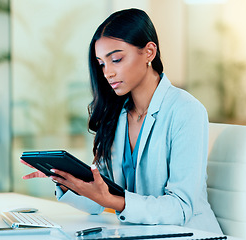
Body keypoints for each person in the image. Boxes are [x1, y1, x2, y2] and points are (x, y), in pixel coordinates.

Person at [21, 8, 222, 234]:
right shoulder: (116, 114)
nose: (108, 73)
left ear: (149, 52)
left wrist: (114, 201)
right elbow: (98, 202)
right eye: (102, 64)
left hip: (190, 234)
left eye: (116, 59)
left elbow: (180, 208)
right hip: (138, 233)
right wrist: (64, 179)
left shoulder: (186, 111)